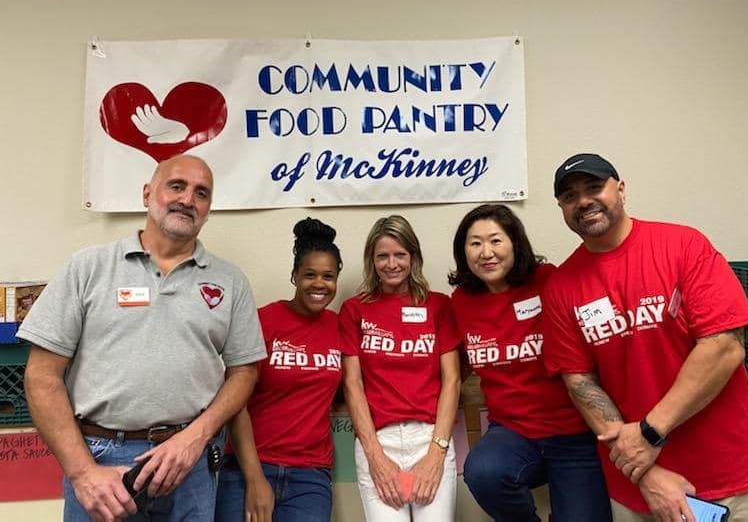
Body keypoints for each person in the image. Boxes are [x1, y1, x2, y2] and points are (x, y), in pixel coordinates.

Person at [18, 154, 267, 522]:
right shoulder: (87, 268)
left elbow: (244, 373)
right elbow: (41, 376)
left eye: (201, 193)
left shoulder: (230, 281)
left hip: (190, 464)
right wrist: (83, 473)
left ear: (208, 208)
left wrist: (197, 435)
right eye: (177, 186)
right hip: (101, 462)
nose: (187, 199)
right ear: (148, 193)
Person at [543, 153, 748, 522]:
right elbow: (580, 381)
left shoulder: (683, 245)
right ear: (561, 207)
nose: (583, 201)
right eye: (570, 196)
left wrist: (649, 433)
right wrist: (644, 470)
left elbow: (723, 346)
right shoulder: (561, 287)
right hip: (641, 489)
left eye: (594, 187)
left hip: (735, 475)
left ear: (621, 190)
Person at [448, 203, 612, 522]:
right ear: (464, 251)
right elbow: (452, 363)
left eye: (496, 240)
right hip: (512, 432)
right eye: (475, 242)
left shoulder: (548, 280)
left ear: (515, 242)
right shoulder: (462, 301)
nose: (486, 252)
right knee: (483, 472)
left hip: (574, 434)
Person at [215, 218, 343, 522]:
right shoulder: (262, 321)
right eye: (309, 275)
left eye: (328, 276)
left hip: (310, 474)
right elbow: (235, 403)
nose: (319, 284)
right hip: (249, 467)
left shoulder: (339, 327)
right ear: (294, 276)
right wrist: (255, 479)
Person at [339, 215, 461, 522]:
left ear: (414, 257)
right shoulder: (355, 310)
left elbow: (453, 380)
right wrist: (375, 456)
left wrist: (436, 453)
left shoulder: (438, 306)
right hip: (377, 441)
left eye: (400, 254)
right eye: (382, 256)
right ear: (372, 260)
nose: (391, 264)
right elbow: (353, 384)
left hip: (431, 438)